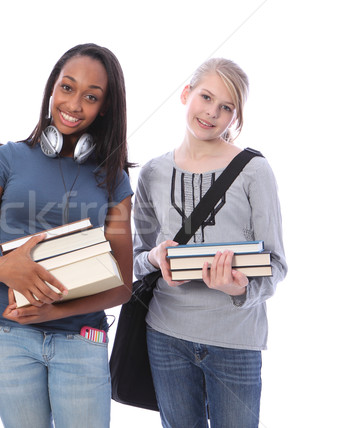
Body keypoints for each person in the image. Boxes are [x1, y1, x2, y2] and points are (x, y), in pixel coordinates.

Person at [0, 43, 133, 428]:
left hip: (81, 339)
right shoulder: (7, 160)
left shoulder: (113, 178)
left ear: (105, 108)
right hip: (6, 337)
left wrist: (56, 311)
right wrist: (3, 269)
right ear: (51, 89)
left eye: (91, 97)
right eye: (67, 88)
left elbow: (122, 287)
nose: (74, 104)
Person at [132, 57, 287, 428]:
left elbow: (277, 263)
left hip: (236, 341)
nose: (212, 112)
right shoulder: (152, 172)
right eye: (205, 97)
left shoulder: (254, 171)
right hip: (166, 337)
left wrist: (239, 289)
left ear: (236, 118)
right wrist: (154, 257)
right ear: (186, 94)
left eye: (226, 107)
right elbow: (135, 259)